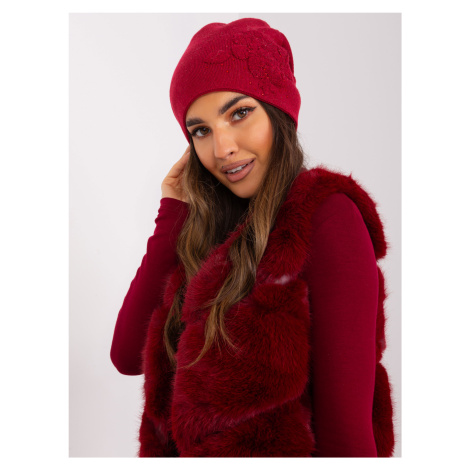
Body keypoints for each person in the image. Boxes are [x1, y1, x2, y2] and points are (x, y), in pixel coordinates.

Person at [110, 17, 396, 458]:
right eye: (201, 130)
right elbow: (127, 356)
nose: (221, 148)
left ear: (279, 114)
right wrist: (173, 213)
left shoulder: (327, 219)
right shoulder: (205, 234)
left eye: (239, 113)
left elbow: (347, 439)